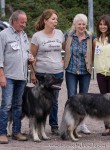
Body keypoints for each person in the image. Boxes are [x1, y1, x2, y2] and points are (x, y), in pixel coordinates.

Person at [0, 10, 34, 144]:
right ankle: (2, 132)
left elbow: (26, 52)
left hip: (21, 76)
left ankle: (16, 132)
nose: (24, 25)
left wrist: (30, 57)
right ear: (14, 21)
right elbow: (0, 56)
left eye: (25, 22)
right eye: (22, 22)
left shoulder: (24, 35)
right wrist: (1, 75)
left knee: (18, 105)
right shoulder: (3, 35)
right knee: (6, 105)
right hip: (8, 76)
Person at [30, 9, 64, 135]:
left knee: (53, 100)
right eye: (53, 19)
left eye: (56, 19)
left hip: (57, 73)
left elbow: (67, 49)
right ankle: (35, 126)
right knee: (38, 100)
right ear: (45, 21)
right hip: (42, 73)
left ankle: (54, 125)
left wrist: (64, 61)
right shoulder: (37, 36)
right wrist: (32, 74)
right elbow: (31, 57)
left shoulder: (60, 33)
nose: (56, 21)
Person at [63, 14, 96, 134]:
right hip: (71, 70)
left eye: (83, 24)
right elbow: (63, 48)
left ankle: (82, 124)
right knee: (71, 97)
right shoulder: (68, 35)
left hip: (85, 71)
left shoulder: (91, 37)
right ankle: (70, 123)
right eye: (79, 24)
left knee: (84, 98)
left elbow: (95, 51)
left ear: (86, 25)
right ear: (75, 24)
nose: (81, 26)